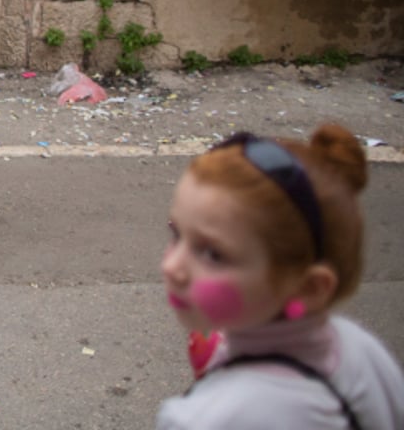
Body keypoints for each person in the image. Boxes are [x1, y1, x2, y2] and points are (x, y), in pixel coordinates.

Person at [157, 123, 404, 429]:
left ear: (310, 287)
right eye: (176, 233)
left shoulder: (206, 419)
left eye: (213, 254)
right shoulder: (363, 351)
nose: (171, 267)